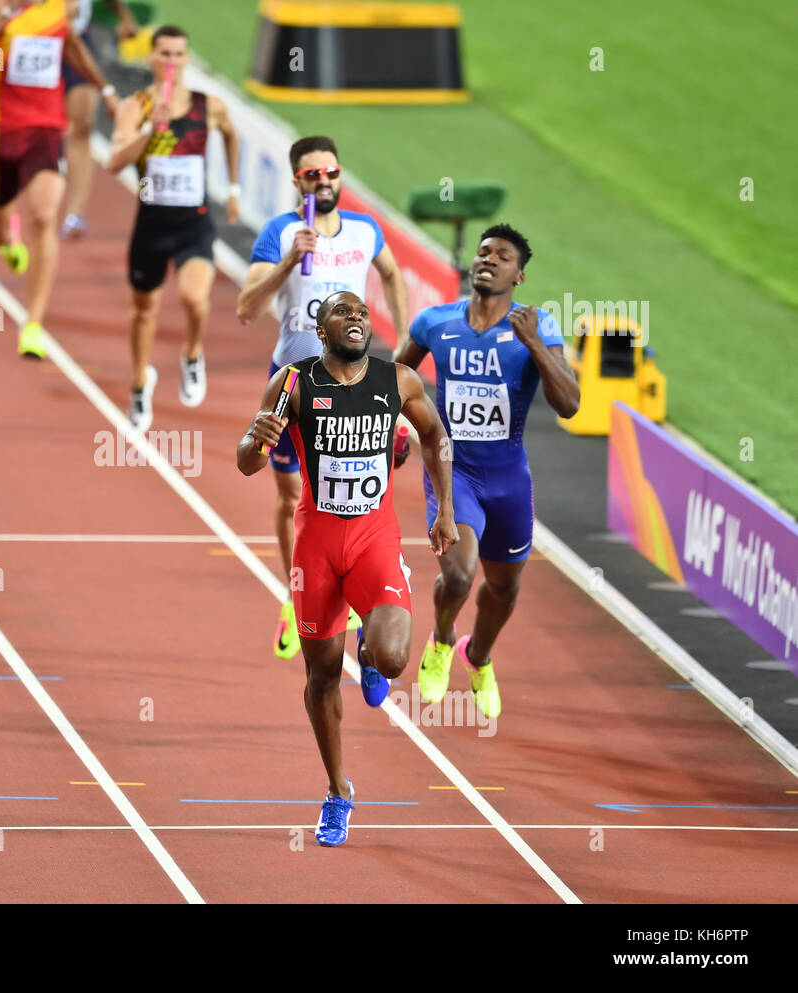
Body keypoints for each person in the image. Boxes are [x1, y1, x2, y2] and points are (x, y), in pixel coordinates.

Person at [238, 290, 457, 847]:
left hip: (373, 537)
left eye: (361, 311)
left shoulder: (398, 381)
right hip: (316, 543)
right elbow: (246, 461)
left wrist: (445, 512)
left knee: (393, 655)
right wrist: (254, 443)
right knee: (320, 677)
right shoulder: (292, 382)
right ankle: (338, 791)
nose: (355, 317)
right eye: (341, 311)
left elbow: (435, 437)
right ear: (321, 328)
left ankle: (371, 648)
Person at [392, 224, 580, 719]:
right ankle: (442, 639)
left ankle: (479, 657)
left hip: (509, 480)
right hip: (453, 474)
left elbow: (570, 406)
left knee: (504, 588)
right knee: (458, 575)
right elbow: (395, 379)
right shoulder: (436, 321)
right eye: (482, 252)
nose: (488, 260)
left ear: (519, 275)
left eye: (502, 256)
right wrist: (394, 427)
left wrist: (536, 344)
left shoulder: (540, 326)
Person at [236, 135, 409, 659]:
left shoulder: (365, 230)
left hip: (355, 385)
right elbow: (246, 305)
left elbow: (393, 275)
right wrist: (290, 262)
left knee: (361, 499)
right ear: (297, 182)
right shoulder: (281, 231)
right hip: (295, 383)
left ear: (340, 174)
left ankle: (371, 613)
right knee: (293, 498)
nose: (323, 182)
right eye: (312, 176)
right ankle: (298, 598)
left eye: (330, 173)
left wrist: (402, 345)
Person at [0, 0, 118, 359]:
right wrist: (5, 14)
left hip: (44, 130)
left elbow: (72, 46)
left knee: (45, 215)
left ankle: (33, 325)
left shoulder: (64, 9)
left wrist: (106, 91)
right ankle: (7, 241)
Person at [107, 25, 240, 430]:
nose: (171, 62)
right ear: (151, 58)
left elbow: (231, 134)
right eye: (163, 53)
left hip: (193, 223)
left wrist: (233, 188)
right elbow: (114, 162)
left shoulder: (207, 106)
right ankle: (139, 381)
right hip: (151, 224)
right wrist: (150, 131)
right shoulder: (137, 107)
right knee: (144, 311)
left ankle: (193, 353)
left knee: (195, 298)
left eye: (178, 54)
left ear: (186, 59)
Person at [58, 0, 139, 240]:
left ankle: (75, 214)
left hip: (77, 40)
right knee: (28, 126)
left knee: (82, 125)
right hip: (31, 39)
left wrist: (125, 16)